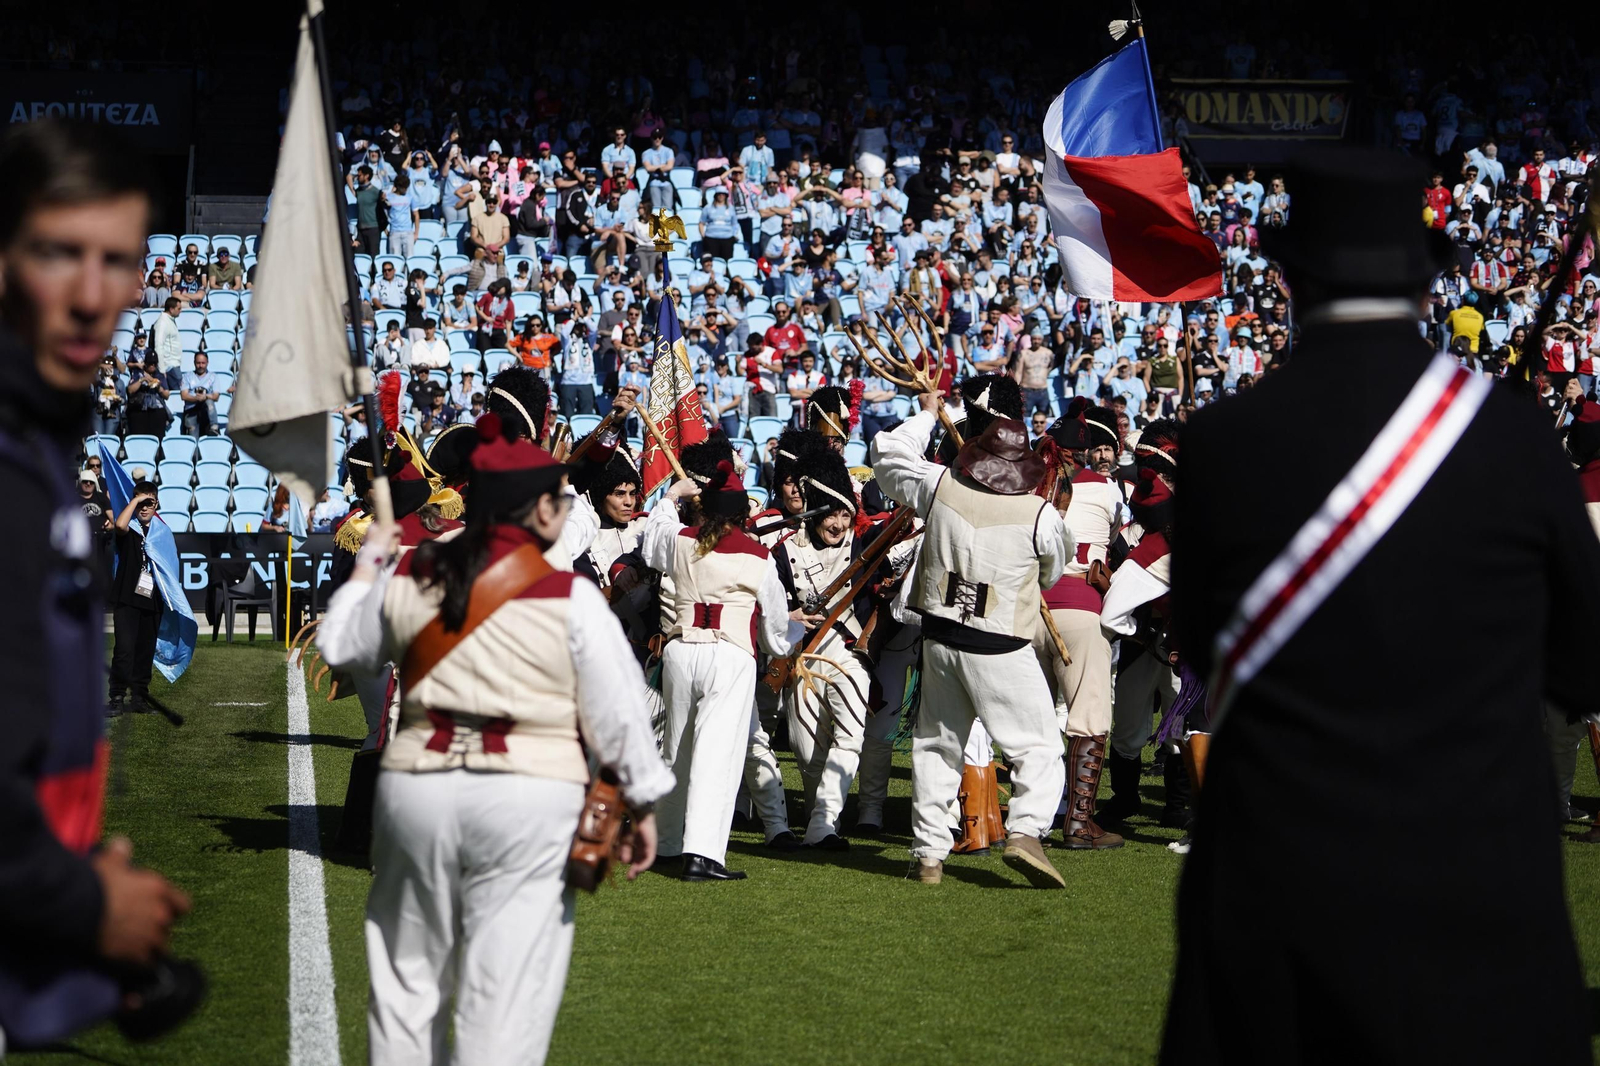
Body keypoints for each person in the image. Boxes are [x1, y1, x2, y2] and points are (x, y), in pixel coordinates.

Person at [1161, 147, 1600, 1064]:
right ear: (1424, 282)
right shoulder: (1512, 435)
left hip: (1276, 902)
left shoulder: (1221, 443)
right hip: (1480, 900)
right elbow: (1583, 658)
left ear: (1290, 277)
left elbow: (1205, 643)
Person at [318, 414, 672, 1064]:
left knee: (405, 981)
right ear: (536, 509)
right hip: (530, 796)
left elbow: (342, 647)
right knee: (505, 993)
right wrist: (642, 803)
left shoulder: (413, 571)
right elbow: (621, 714)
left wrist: (371, 565)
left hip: (419, 787)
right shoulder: (569, 595)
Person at [0, 119, 194, 1046]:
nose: (90, 294)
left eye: (117, 261)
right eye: (57, 253)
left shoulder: (42, 445)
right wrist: (78, 901)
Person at [872, 395, 1072, 887]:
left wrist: (929, 410)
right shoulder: (1041, 516)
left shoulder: (940, 484)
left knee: (936, 747)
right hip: (1001, 644)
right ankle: (1025, 832)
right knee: (1040, 747)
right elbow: (1051, 572)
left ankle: (929, 856)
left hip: (939, 639)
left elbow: (886, 453)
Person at [640, 443, 805, 880]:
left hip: (680, 650)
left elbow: (653, 537)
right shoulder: (759, 556)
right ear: (742, 515)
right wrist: (793, 635)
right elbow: (772, 627)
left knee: (676, 749)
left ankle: (667, 843)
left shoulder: (679, 540)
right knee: (719, 753)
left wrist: (672, 496)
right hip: (729, 656)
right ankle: (704, 854)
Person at [179, 350, 224, 436]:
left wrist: (205, 397)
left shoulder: (213, 377)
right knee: (193, 441)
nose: (200, 366)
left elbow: (216, 396)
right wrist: (196, 398)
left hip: (206, 412)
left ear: (207, 363)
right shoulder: (187, 376)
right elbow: (183, 395)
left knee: (209, 401)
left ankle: (214, 427)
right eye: (198, 363)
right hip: (191, 410)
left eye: (203, 363)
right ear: (194, 363)